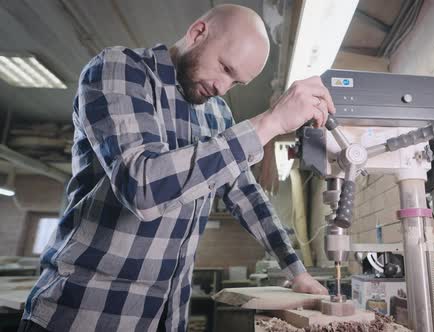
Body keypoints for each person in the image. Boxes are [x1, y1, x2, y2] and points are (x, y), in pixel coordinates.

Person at [19, 4, 334, 332]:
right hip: (85, 313)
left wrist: (296, 271)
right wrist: (270, 123)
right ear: (198, 33)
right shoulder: (120, 69)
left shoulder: (217, 115)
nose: (222, 88)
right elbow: (142, 188)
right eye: (225, 68)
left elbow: (248, 197)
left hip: (166, 317)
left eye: (236, 82)